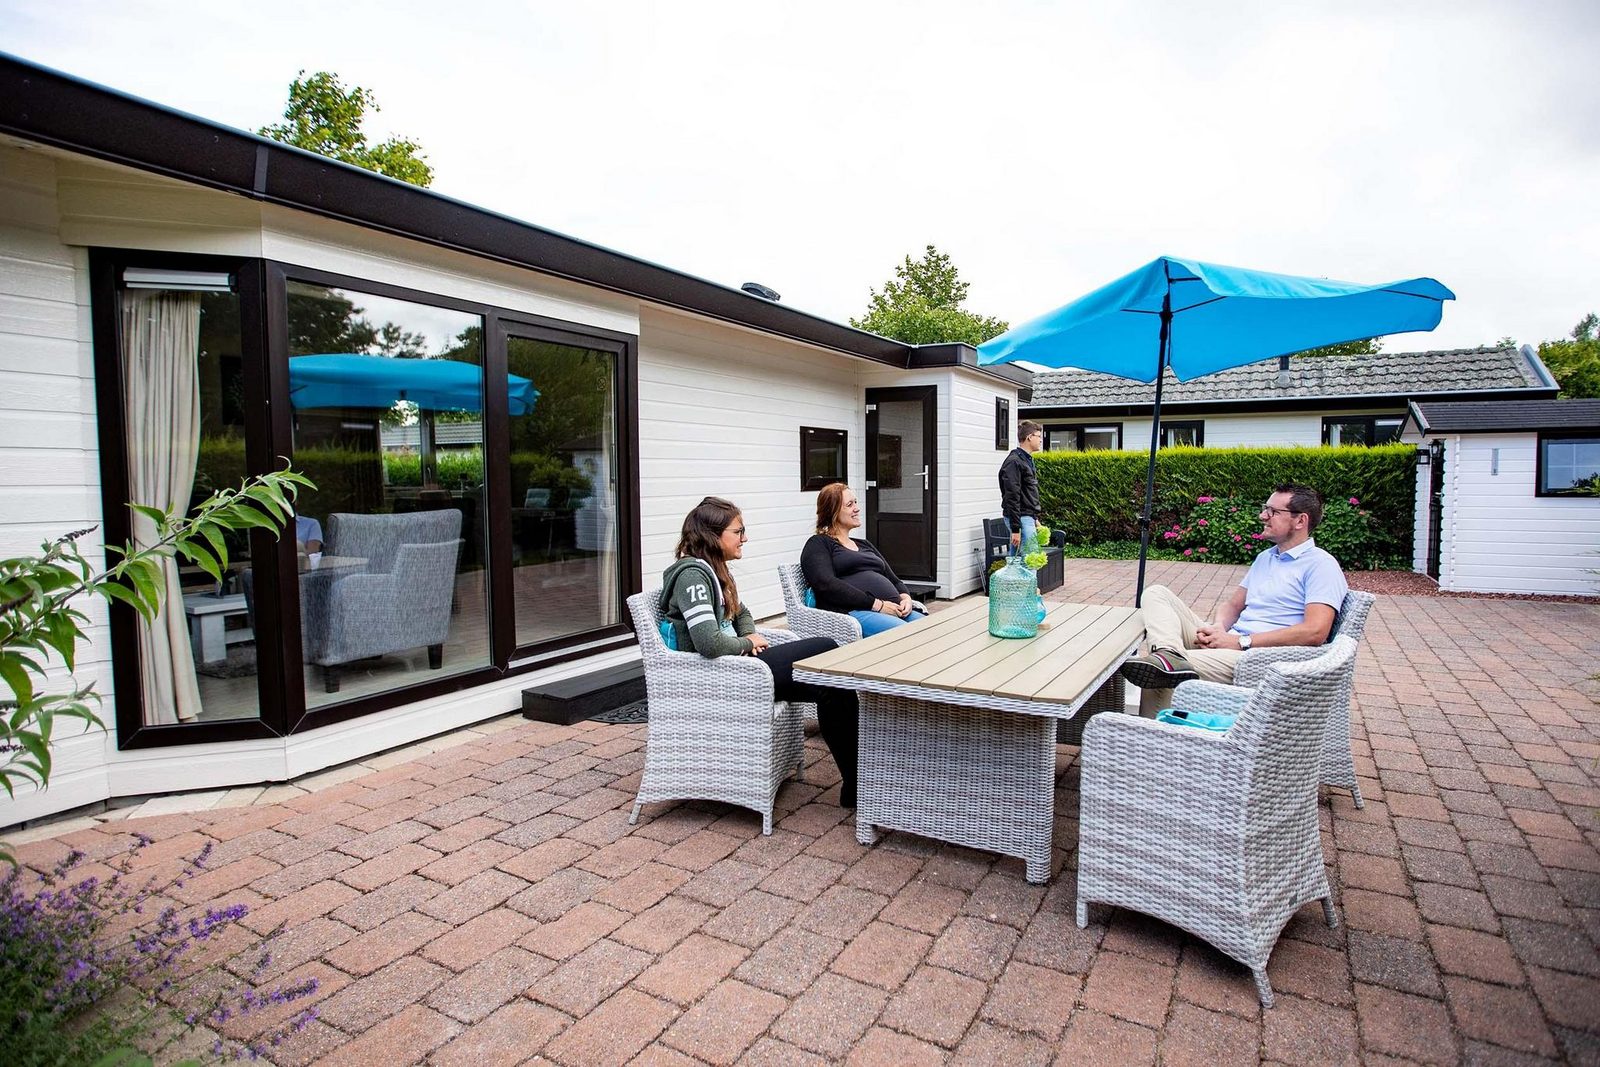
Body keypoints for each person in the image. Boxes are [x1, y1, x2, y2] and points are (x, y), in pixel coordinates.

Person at [660, 496, 861, 807]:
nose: (745, 538)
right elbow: (708, 643)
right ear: (713, 536)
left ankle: (856, 783)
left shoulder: (715, 570)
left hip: (739, 664)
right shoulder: (692, 578)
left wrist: (747, 634)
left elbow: (741, 612)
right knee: (826, 650)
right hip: (720, 675)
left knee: (831, 679)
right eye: (738, 532)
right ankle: (858, 783)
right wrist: (748, 644)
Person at [1121, 484, 1349, 716]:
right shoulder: (1266, 558)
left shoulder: (1321, 565)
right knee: (1157, 593)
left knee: (1160, 671)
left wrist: (1240, 642)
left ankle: (1155, 724)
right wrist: (1218, 628)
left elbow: (1315, 631)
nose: (1263, 516)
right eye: (1265, 509)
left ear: (1300, 521)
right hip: (1233, 642)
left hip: (1258, 657)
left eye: (1273, 511)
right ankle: (1169, 653)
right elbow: (1233, 605)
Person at [800, 483, 928, 638]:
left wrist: (906, 598)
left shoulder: (864, 544)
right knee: (909, 635)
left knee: (932, 630)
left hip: (895, 609)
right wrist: (877, 605)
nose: (857, 508)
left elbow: (894, 579)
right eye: (850, 505)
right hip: (855, 611)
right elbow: (825, 583)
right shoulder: (819, 543)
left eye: (855, 502)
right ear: (832, 511)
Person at [999, 420, 1044, 550]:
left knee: (1017, 558)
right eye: (1038, 436)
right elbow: (1012, 496)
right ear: (1029, 437)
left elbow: (1027, 493)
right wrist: (1015, 529)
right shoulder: (1014, 462)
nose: (1040, 440)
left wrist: (1034, 518)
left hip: (1026, 517)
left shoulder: (1026, 460)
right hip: (1021, 519)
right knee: (1031, 557)